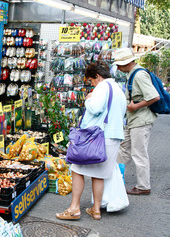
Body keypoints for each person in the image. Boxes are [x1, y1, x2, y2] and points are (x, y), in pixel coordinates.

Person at [56, 61, 127, 220]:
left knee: (77, 169)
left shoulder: (102, 87)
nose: (91, 84)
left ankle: (74, 209)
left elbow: (95, 108)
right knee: (99, 174)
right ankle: (96, 209)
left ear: (97, 76)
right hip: (113, 137)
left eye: (91, 81)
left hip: (98, 138)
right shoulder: (118, 89)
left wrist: (89, 98)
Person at [113, 48, 160, 195]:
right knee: (123, 148)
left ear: (127, 63)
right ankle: (116, 178)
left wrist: (135, 106)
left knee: (139, 153)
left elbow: (154, 96)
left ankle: (143, 186)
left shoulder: (139, 75)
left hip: (141, 120)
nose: (118, 68)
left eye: (119, 65)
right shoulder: (133, 74)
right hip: (133, 120)